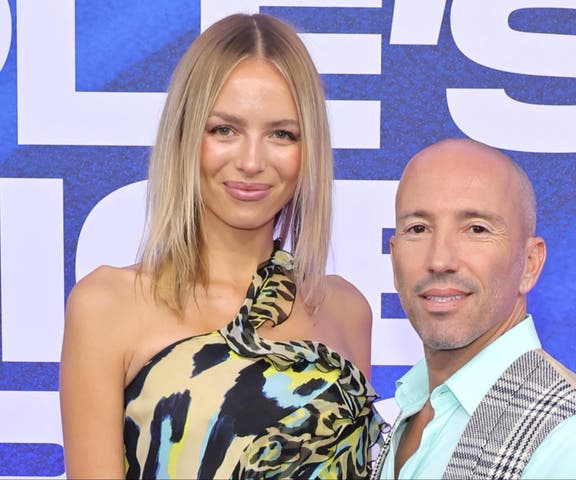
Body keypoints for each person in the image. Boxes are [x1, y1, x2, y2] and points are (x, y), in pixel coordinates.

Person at [60, 13, 381, 479]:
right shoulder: (107, 305)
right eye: (224, 130)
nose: (251, 161)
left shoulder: (346, 308)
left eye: (281, 134)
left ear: (309, 148)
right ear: (187, 137)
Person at [374, 138, 576, 479]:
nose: (439, 260)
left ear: (529, 263)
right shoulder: (406, 410)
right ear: (394, 258)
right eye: (419, 229)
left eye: (476, 229)